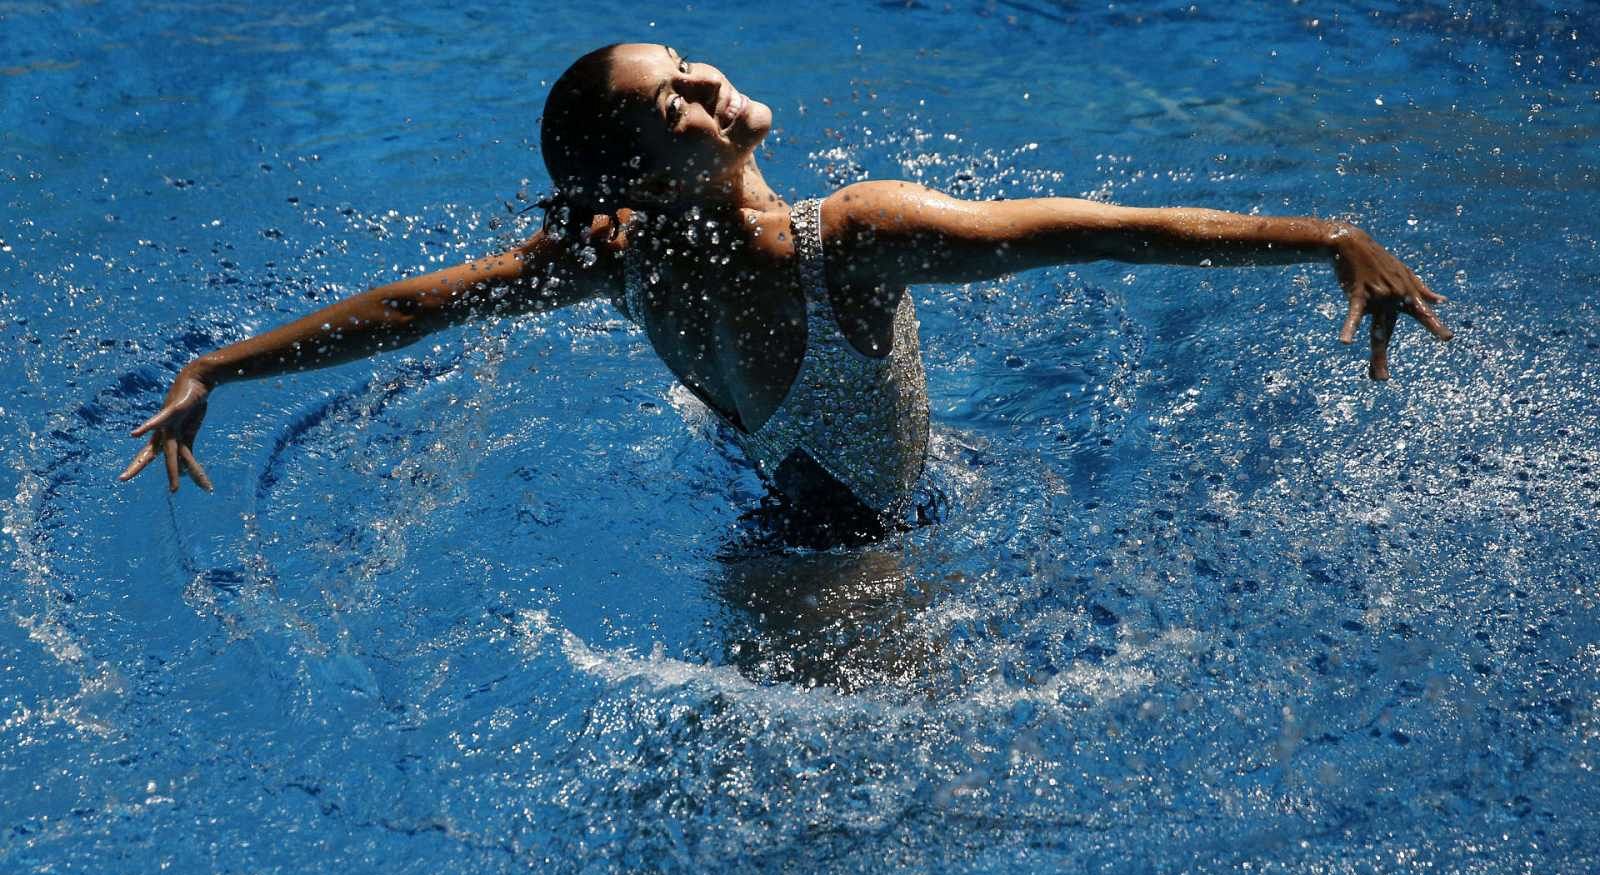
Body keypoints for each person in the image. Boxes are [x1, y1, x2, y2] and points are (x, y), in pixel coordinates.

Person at [120, 42, 1452, 541]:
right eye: (671, 107)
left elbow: (420, 309)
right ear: (642, 173)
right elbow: (1103, 232)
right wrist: (1320, 236)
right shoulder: (853, 237)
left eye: (688, 65)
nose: (704, 86)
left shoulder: (616, 249)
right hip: (842, 572)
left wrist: (220, 373)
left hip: (771, 478)